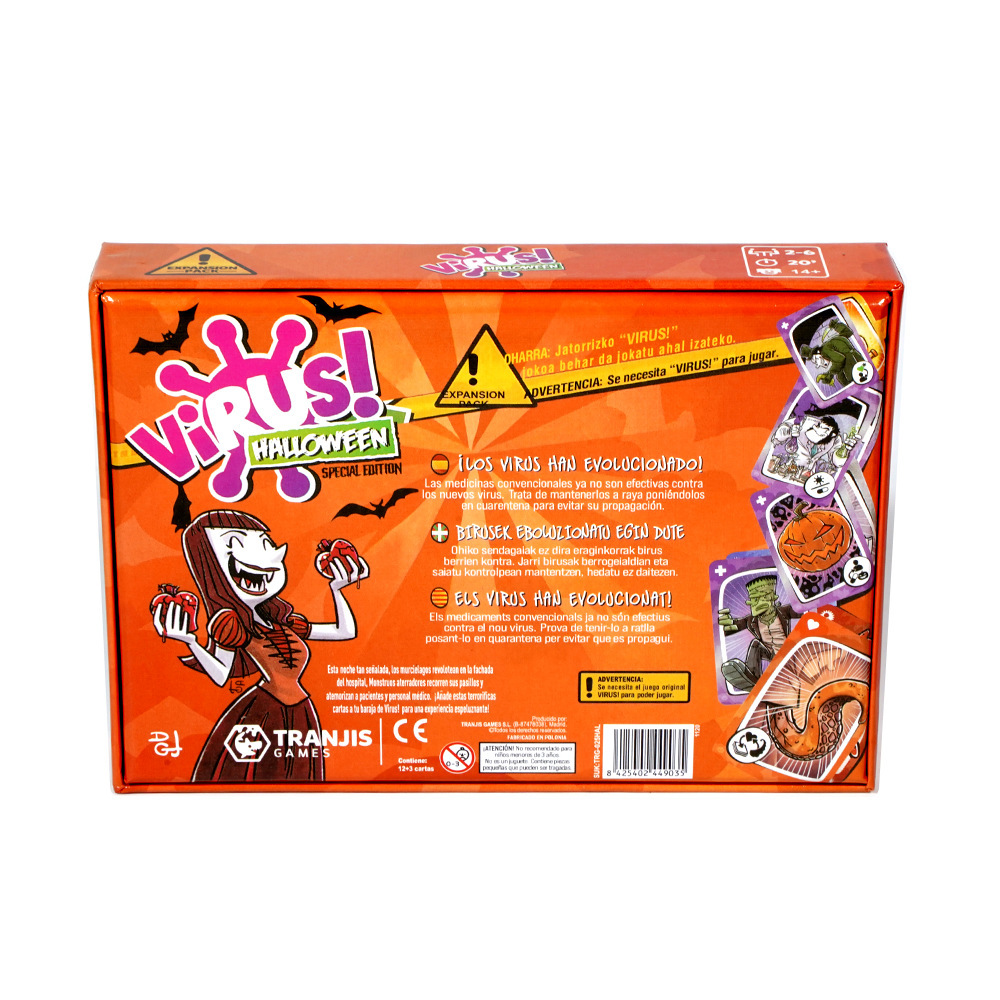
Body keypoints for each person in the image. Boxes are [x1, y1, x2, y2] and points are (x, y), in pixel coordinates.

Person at [152, 508, 368, 782]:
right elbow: (221, 676)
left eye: (266, 544)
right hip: (264, 713)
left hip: (301, 713)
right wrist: (191, 641)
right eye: (234, 544)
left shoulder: (280, 620)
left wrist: (337, 589)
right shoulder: (229, 623)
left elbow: (344, 631)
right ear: (211, 567)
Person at [718, 575, 796, 693]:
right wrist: (726, 624)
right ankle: (753, 679)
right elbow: (734, 626)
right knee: (755, 644)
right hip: (771, 654)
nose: (755, 604)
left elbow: (804, 610)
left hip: (788, 653)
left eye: (761, 598)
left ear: (772, 598)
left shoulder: (785, 611)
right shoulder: (751, 620)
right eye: (753, 600)